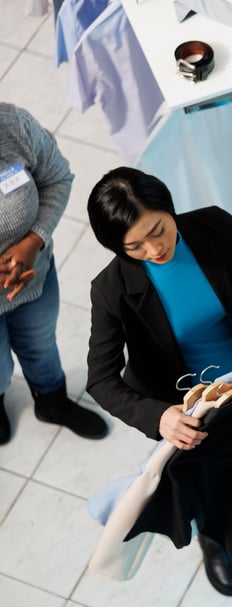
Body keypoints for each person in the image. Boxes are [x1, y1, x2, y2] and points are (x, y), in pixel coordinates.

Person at [85, 167, 232, 596]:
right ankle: (213, 541)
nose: (154, 249)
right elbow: (101, 380)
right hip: (187, 409)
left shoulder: (213, 227)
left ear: (169, 208)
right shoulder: (110, 290)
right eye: (134, 246)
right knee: (205, 483)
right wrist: (159, 417)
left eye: (158, 231)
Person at [0, 102, 108, 445]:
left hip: (36, 277)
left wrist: (34, 241)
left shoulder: (12, 125)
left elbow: (57, 178)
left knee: (41, 345)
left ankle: (52, 402)